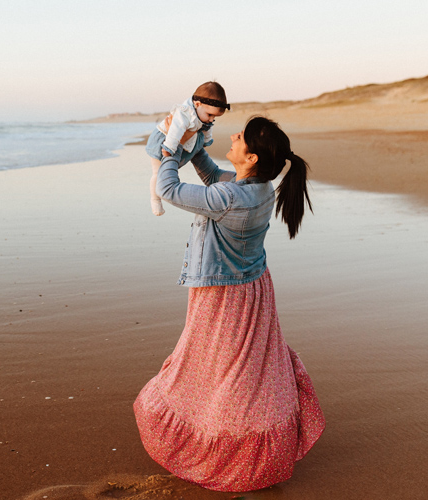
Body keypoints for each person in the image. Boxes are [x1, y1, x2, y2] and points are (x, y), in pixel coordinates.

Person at [133, 116, 325, 492]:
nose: (234, 136)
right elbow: (210, 175)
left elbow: (168, 188)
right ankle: (253, 451)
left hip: (224, 296)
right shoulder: (259, 187)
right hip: (252, 288)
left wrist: (171, 145)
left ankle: (228, 455)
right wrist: (195, 143)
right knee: (247, 370)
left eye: (241, 137)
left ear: (251, 157)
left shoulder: (232, 197)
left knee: (217, 370)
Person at [145, 82, 230, 216]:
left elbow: (207, 129)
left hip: (184, 142)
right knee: (157, 172)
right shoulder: (184, 113)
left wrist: (207, 141)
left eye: (215, 117)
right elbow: (174, 131)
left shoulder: (203, 113)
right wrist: (169, 148)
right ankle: (155, 200)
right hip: (165, 140)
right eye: (210, 115)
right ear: (197, 104)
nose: (211, 119)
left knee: (167, 172)